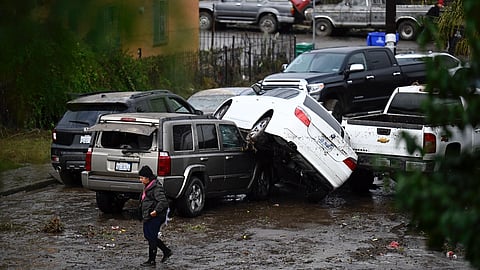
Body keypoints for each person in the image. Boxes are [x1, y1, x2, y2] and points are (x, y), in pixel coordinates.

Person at [138, 165, 172, 267]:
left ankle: (151, 260)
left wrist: (156, 211)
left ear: (148, 178)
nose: (140, 180)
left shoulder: (156, 187)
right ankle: (166, 251)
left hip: (155, 216)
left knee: (151, 237)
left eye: (142, 178)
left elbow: (163, 202)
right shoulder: (148, 187)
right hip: (148, 216)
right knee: (148, 235)